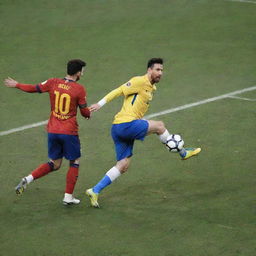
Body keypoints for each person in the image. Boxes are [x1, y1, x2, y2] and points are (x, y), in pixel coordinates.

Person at [86, 58, 201, 208]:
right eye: (157, 70)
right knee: (159, 126)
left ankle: (95, 190)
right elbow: (120, 90)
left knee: (123, 165)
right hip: (126, 124)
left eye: (162, 70)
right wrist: (99, 104)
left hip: (119, 128)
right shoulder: (139, 81)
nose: (160, 73)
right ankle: (183, 153)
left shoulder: (151, 88)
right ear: (149, 70)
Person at [4, 59, 91, 205]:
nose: (83, 73)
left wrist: (17, 84)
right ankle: (68, 196)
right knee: (74, 161)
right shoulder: (79, 89)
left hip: (52, 130)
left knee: (55, 164)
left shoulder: (53, 82)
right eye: (82, 71)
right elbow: (84, 112)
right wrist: (89, 113)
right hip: (69, 131)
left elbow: (34, 88)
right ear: (77, 73)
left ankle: (28, 179)